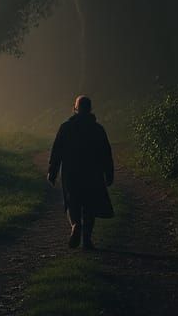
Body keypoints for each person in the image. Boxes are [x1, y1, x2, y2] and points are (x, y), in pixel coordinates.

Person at [46, 95, 114, 250]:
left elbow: (57, 151)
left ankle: (76, 225)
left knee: (72, 203)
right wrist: (109, 173)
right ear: (90, 109)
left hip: (71, 173)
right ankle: (87, 239)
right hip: (93, 173)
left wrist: (53, 170)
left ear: (75, 109)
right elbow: (106, 153)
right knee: (90, 206)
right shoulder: (98, 129)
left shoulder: (66, 127)